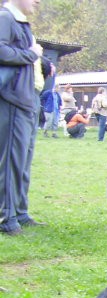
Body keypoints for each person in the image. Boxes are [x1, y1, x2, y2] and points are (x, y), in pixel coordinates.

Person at [0, 0, 46, 235]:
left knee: (22, 162)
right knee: (10, 162)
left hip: (28, 100)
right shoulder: (5, 17)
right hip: (13, 101)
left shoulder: (21, 22)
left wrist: (43, 63)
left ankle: (20, 212)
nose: (38, 1)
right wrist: (30, 54)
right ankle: (6, 218)